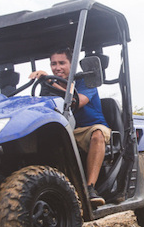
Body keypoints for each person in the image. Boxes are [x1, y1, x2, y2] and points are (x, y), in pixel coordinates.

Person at [30, 49, 110, 206]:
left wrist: (50, 82)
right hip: (67, 129)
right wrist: (44, 82)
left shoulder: (85, 80)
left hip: (90, 127)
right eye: (53, 64)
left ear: (71, 64)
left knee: (98, 134)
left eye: (62, 63)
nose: (57, 67)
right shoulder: (48, 85)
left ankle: (90, 188)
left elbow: (77, 101)